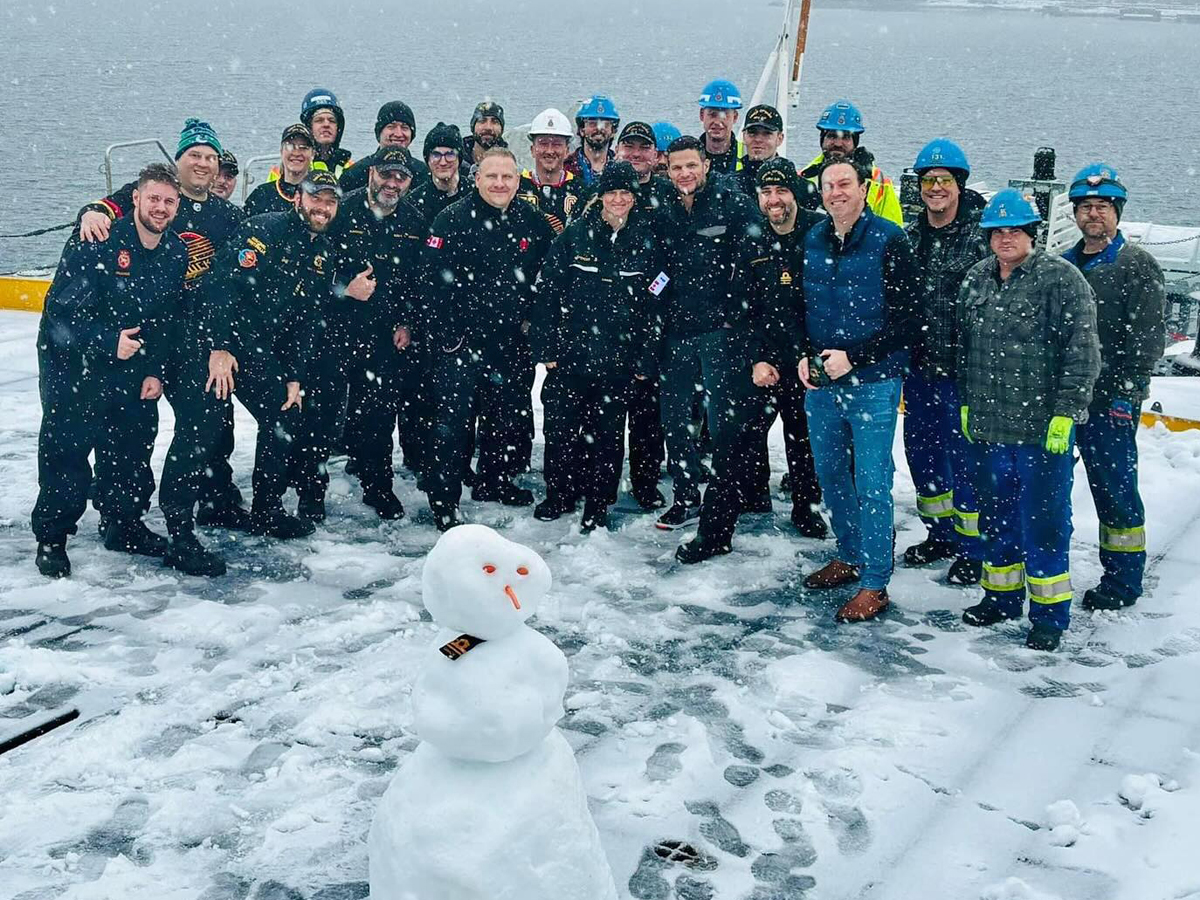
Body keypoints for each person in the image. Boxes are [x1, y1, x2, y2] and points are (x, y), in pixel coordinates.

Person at [157, 171, 343, 573]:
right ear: (299, 198)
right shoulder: (264, 231)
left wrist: (294, 375)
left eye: (330, 201)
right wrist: (219, 348)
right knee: (201, 430)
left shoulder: (322, 252)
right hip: (209, 344)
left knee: (284, 413)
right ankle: (179, 532)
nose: (322, 207)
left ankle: (266, 509)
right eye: (316, 198)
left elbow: (307, 320)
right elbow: (221, 289)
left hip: (257, 351)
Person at [76, 118, 248, 530]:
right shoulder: (161, 199)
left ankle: (213, 498)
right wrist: (92, 211)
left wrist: (224, 343)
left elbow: (240, 281)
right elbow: (110, 206)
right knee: (131, 431)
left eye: (210, 157)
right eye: (194, 155)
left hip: (198, 338)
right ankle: (119, 514)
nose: (203, 163)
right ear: (178, 160)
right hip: (148, 333)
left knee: (212, 422)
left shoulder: (229, 217)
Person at [957, 189, 1101, 651]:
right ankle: (1000, 597)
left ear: (1031, 234)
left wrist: (1065, 414)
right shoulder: (976, 279)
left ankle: (1049, 616)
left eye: (1014, 231)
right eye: (997, 232)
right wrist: (966, 401)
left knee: (1044, 524)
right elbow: (965, 350)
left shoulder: (1063, 280)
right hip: (990, 429)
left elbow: (1083, 355)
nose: (1005, 239)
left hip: (1041, 435)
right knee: (996, 519)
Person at [33, 164, 189, 578]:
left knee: (132, 446)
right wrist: (106, 342)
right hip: (75, 363)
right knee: (67, 450)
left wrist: (155, 369)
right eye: (153, 198)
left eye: (169, 201)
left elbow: (167, 318)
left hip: (133, 363)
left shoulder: (176, 252)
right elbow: (60, 314)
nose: (160, 208)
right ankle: (52, 536)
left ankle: (123, 524)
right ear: (134, 199)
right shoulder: (98, 240)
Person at [792, 158, 920, 620]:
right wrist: (804, 355)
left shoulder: (890, 240)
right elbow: (801, 306)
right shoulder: (814, 239)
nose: (836, 192)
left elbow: (908, 320)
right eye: (828, 186)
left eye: (845, 184)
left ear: (863, 189)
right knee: (830, 474)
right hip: (823, 381)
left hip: (873, 382)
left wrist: (857, 357)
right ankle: (849, 555)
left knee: (871, 480)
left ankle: (875, 582)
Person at [419, 149, 556, 531]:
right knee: (452, 424)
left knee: (506, 418)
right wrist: (447, 337)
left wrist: (535, 327)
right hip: (460, 343)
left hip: (510, 341)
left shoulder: (532, 222)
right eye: (492, 176)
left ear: (518, 180)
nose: (499, 184)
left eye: (507, 177)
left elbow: (547, 280)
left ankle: (495, 481)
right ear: (476, 178)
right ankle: (444, 500)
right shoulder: (451, 219)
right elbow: (430, 283)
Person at [532, 161, 664, 531]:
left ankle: (598, 502)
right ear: (601, 196)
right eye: (612, 192)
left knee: (607, 435)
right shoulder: (575, 237)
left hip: (619, 359)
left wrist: (645, 356)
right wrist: (547, 349)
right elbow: (547, 293)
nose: (618, 199)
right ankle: (559, 493)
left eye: (625, 193)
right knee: (560, 429)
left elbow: (656, 304)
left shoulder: (646, 243)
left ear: (633, 198)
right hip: (572, 354)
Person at [652, 136, 763, 552]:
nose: (684, 174)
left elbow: (755, 255)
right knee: (676, 417)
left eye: (691, 166)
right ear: (668, 169)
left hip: (720, 331)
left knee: (722, 423)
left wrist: (738, 312)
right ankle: (685, 495)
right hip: (678, 330)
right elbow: (656, 263)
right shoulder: (663, 207)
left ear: (705, 166)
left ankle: (725, 502)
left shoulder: (730, 202)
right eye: (677, 167)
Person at [1063, 164, 1165, 611]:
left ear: (1117, 212)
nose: (1094, 215)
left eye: (1102, 207)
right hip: (1064, 400)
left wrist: (1128, 392)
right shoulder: (1064, 264)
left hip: (1109, 402)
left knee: (1115, 490)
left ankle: (1123, 581)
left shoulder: (1136, 265)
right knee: (1051, 489)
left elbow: (1147, 338)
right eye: (1086, 207)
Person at [320, 150, 428, 520]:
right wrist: (343, 288)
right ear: (371, 173)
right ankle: (310, 492)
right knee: (324, 412)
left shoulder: (415, 220)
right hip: (336, 328)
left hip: (385, 334)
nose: (392, 183)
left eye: (401, 177)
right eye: (386, 174)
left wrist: (408, 323)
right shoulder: (342, 212)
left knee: (378, 416)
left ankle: (377, 487)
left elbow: (420, 281)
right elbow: (313, 269)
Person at [900, 139, 989, 585]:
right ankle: (940, 533)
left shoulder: (982, 239)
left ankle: (974, 546)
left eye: (944, 181)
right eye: (928, 181)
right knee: (923, 455)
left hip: (964, 375)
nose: (936, 188)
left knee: (967, 462)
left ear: (960, 185)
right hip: (919, 370)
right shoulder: (910, 235)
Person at [748, 158, 827, 539]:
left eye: (781, 191)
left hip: (808, 355)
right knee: (750, 430)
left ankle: (806, 506)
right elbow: (742, 301)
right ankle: (754, 495)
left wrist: (815, 354)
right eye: (767, 192)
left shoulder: (819, 231)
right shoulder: (752, 235)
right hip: (767, 354)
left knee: (803, 438)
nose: (774, 200)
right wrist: (757, 356)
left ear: (795, 192)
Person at [613, 120, 675, 508]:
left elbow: (673, 261)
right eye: (629, 147)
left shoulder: (669, 195)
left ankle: (646, 481)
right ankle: (600, 479)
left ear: (656, 155)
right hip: (611, 317)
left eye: (643, 148)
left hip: (656, 314)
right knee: (605, 414)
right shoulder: (604, 192)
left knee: (649, 415)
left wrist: (657, 293)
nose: (636, 154)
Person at [798, 100, 903, 226]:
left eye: (846, 137)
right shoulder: (804, 179)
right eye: (832, 136)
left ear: (855, 142)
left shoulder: (877, 182)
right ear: (822, 139)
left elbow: (894, 231)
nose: (838, 143)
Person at [519, 108, 587, 234]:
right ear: (532, 149)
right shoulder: (516, 186)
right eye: (543, 143)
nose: (550, 151)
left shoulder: (580, 189)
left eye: (557, 144)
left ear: (567, 150)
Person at [340, 100, 429, 194]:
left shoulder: (424, 174)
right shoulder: (356, 173)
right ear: (379, 133)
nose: (398, 134)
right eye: (391, 127)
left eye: (404, 128)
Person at [246, 124, 315, 217]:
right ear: (281, 151)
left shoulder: (320, 195)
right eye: (290, 146)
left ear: (313, 154)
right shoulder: (262, 194)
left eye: (303, 147)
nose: (296, 153)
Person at [408, 122, 467, 223]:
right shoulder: (413, 202)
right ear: (428, 160)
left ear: (459, 158)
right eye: (436, 155)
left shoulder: (476, 192)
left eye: (450, 155)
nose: (443, 162)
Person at [564, 94, 619, 186]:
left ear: (613, 131)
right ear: (581, 130)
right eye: (592, 123)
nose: (599, 128)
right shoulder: (566, 167)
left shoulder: (620, 167)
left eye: (605, 124)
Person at [300, 87, 352, 178]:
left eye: (332, 120)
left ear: (338, 128)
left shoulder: (350, 167)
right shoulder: (291, 166)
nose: (326, 125)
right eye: (319, 120)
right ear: (309, 127)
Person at [696, 79, 743, 175]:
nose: (717, 122)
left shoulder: (748, 155)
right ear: (701, 115)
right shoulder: (689, 155)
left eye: (724, 115)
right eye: (712, 114)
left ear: (735, 117)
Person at [463, 101, 507, 172]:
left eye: (495, 122)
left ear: (502, 129)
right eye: (482, 121)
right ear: (473, 127)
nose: (488, 127)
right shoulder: (455, 164)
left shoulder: (510, 165)